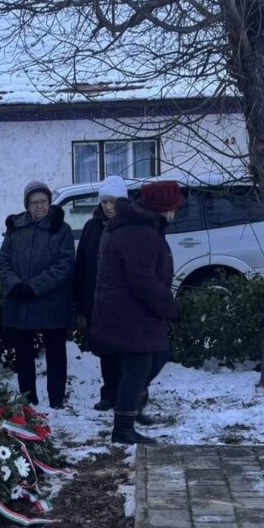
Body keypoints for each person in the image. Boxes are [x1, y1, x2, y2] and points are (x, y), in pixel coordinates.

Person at [90, 181, 182, 444]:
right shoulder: (139, 233)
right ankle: (123, 428)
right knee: (138, 367)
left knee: (154, 359)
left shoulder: (143, 228)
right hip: (129, 313)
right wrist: (169, 307)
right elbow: (143, 281)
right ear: (163, 208)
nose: (175, 213)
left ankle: (129, 407)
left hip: (134, 313)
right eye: (173, 207)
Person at [0, 180, 75, 408]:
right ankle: (28, 398)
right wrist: (15, 285)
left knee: (56, 353)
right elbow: (3, 262)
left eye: (44, 201)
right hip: (21, 301)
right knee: (23, 354)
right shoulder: (15, 228)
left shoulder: (61, 229)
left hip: (52, 302)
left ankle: (56, 399)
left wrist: (35, 287)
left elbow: (64, 265)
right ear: (27, 205)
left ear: (50, 203)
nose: (40, 206)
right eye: (34, 202)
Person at [74, 175, 128, 411]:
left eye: (113, 201)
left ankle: (127, 395)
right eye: (105, 201)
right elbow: (81, 266)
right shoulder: (92, 227)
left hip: (124, 302)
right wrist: (81, 303)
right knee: (106, 351)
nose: (108, 207)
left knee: (126, 351)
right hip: (98, 301)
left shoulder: (130, 227)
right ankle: (109, 394)